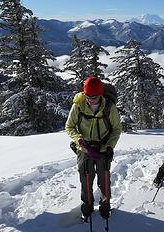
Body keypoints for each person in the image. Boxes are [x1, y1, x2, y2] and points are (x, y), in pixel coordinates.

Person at [65, 76, 122, 221]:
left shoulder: (109, 107)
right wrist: (79, 140)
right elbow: (69, 126)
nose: (91, 100)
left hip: (103, 148)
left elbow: (116, 129)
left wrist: (109, 146)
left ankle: (105, 206)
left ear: (100, 94)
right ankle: (87, 206)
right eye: (88, 96)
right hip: (84, 148)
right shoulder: (78, 105)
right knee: (85, 179)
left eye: (94, 97)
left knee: (104, 179)